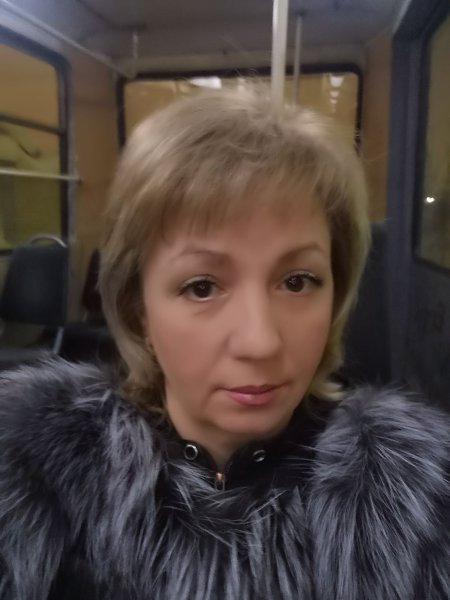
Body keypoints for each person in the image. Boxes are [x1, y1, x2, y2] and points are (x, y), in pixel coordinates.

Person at [0, 88, 448, 600]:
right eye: (201, 287)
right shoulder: (28, 469)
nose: (260, 342)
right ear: (138, 307)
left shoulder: (417, 500)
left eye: (297, 281)